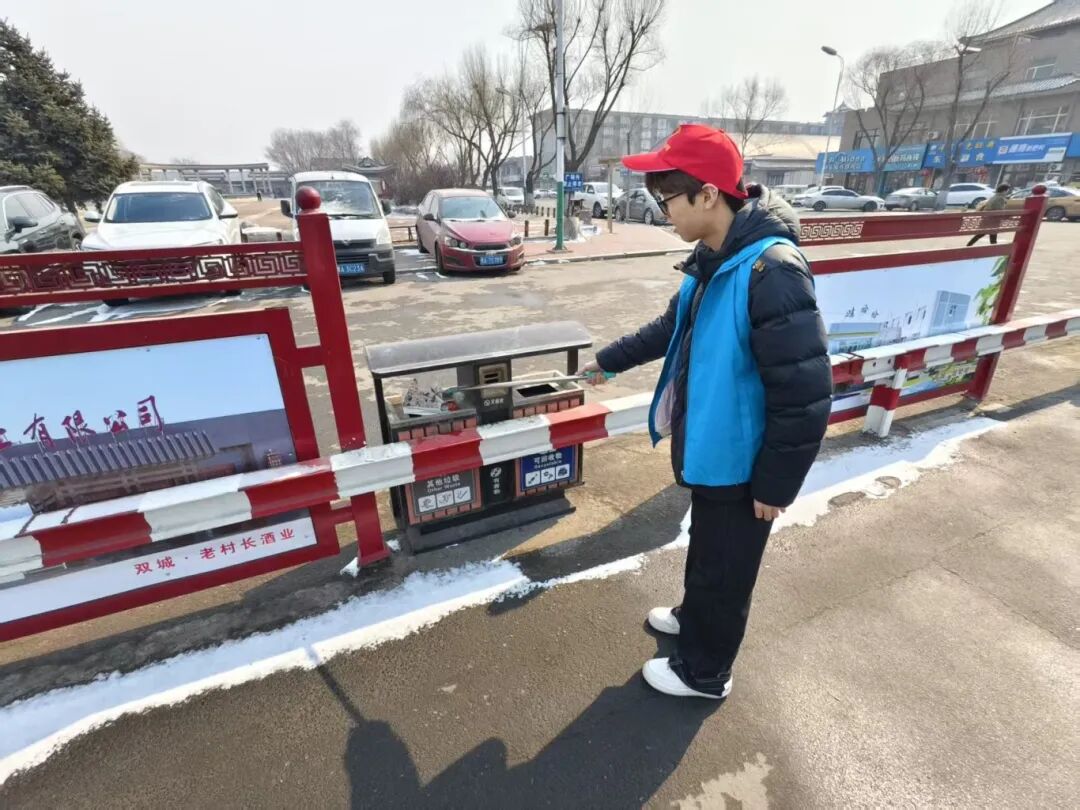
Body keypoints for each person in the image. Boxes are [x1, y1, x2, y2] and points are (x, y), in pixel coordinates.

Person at [578, 124, 832, 700]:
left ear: (709, 194)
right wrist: (608, 362)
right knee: (708, 550)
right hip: (713, 448)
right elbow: (670, 326)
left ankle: (705, 672)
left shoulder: (771, 271)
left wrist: (776, 484)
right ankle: (695, 619)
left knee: (728, 568)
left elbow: (805, 392)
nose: (662, 210)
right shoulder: (715, 257)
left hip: (746, 465)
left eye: (667, 198)